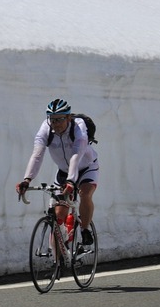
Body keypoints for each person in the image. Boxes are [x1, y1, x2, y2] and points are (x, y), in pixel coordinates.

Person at [16, 98, 98, 245]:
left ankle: (85, 229)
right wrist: (27, 179)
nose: (56, 124)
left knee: (84, 194)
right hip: (64, 172)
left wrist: (71, 181)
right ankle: (58, 261)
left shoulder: (78, 127)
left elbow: (76, 155)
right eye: (52, 120)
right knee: (59, 215)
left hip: (86, 167)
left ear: (68, 117)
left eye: (59, 119)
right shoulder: (46, 129)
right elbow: (37, 154)